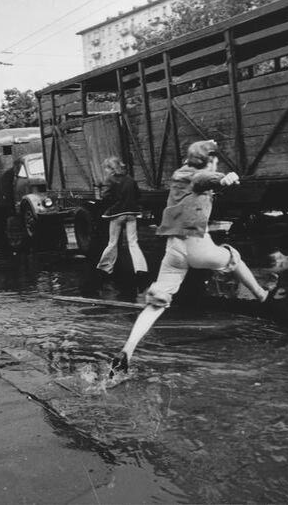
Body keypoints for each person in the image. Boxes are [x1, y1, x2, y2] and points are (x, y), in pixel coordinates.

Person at [110, 140, 275, 375]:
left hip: (174, 251)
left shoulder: (179, 175)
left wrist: (207, 148)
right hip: (198, 249)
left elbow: (196, 177)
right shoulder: (200, 177)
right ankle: (262, 296)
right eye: (214, 161)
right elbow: (202, 180)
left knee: (157, 303)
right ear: (209, 162)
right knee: (232, 257)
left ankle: (127, 350)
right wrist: (224, 178)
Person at [95, 157, 148, 285]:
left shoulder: (110, 180)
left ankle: (105, 268)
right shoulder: (130, 179)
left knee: (112, 242)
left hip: (117, 214)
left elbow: (105, 197)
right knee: (133, 242)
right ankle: (140, 269)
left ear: (111, 168)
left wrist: (101, 192)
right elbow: (138, 196)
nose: (106, 171)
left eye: (107, 168)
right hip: (131, 214)